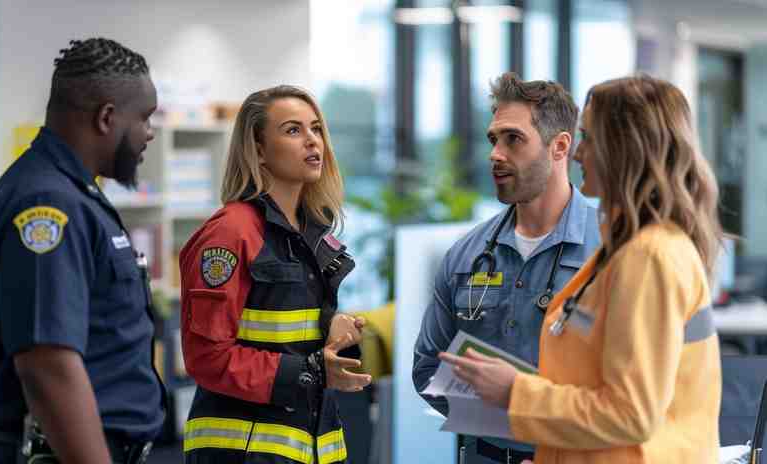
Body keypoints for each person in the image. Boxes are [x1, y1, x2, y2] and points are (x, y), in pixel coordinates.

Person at [441, 75, 724, 463]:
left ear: (625, 148)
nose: (577, 153)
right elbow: (595, 395)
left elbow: (630, 415)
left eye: (588, 138)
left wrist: (515, 392)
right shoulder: (623, 251)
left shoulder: (650, 257)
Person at [0, 38, 165, 464]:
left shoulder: (66, 192)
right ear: (107, 117)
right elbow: (47, 366)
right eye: (144, 118)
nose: (150, 132)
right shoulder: (48, 205)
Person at [413, 72, 601, 463]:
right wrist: (497, 421)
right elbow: (428, 367)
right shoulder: (466, 256)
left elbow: (633, 387)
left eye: (513, 139)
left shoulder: (612, 251)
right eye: (493, 139)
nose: (495, 154)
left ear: (560, 147)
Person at [178, 85, 371, 464]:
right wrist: (313, 371)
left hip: (309, 449)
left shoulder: (312, 231)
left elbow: (283, 327)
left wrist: (332, 326)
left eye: (316, 128)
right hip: (243, 452)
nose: (313, 141)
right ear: (259, 149)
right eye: (293, 130)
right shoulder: (230, 233)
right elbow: (207, 358)